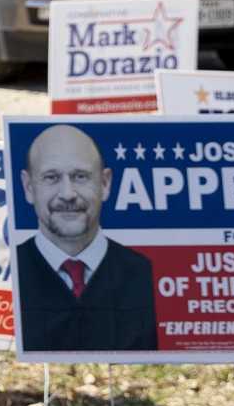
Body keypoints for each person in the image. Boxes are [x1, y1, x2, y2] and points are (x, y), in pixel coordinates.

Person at [14, 124, 157, 353]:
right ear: (29, 187)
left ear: (105, 183)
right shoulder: (8, 270)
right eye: (51, 177)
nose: (68, 194)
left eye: (80, 177)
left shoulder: (145, 274)